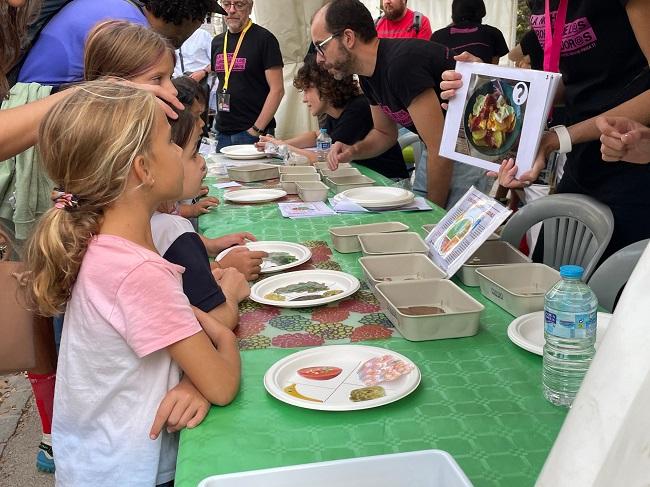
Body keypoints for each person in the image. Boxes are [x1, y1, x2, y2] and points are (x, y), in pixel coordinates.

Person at [24, 81, 241, 486]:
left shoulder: (96, 246)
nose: (180, 151)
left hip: (93, 464)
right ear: (143, 169)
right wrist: (224, 337)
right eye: (170, 143)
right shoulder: (140, 273)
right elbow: (223, 385)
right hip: (133, 470)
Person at [441, 0, 650, 258]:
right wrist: (489, 83)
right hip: (582, 159)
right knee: (549, 275)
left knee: (614, 288)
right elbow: (576, 85)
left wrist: (556, 138)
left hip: (635, 161)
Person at [311, 0, 489, 209]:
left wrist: (432, 217)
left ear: (348, 38)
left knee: (444, 234)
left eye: (320, 47)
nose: (318, 59)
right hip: (436, 152)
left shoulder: (400, 65)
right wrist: (353, 150)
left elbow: (441, 148)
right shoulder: (368, 75)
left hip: (469, 151)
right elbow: (384, 134)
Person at [151, 106, 254, 330]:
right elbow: (218, 320)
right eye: (193, 154)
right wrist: (231, 289)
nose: (202, 163)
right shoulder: (173, 230)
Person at [257, 54, 408, 179]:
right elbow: (317, 135)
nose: (304, 99)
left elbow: (322, 159)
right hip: (364, 179)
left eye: (307, 90)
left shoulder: (358, 109)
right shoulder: (336, 110)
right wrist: (279, 142)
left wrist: (281, 147)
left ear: (325, 86)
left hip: (388, 182)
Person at [16, 0, 226, 87]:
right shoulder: (131, 28)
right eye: (202, 17)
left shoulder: (119, 8)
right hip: (45, 121)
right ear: (189, 15)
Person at [211, 0, 284, 151]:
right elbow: (222, 79)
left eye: (239, 5)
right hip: (222, 132)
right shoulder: (217, 42)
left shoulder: (265, 39)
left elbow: (277, 90)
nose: (231, 10)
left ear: (250, 8)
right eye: (226, 4)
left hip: (252, 132)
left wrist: (256, 129)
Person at [430, 0, 509, 65]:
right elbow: (492, 70)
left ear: (454, 12)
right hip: (481, 83)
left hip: (444, 82)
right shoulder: (493, 33)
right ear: (482, 11)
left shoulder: (437, 36)